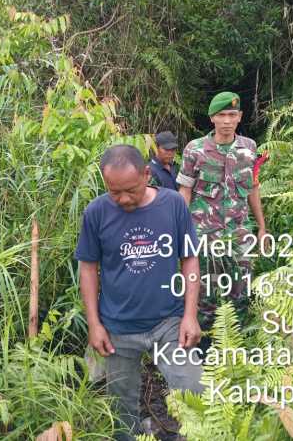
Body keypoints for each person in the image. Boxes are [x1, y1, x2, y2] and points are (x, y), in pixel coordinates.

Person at [75, 144, 203, 440]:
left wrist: (190, 315)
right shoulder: (96, 212)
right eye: (114, 191)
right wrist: (94, 325)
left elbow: (190, 258)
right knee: (120, 408)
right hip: (117, 326)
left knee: (195, 390)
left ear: (147, 174)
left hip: (169, 321)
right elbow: (88, 268)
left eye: (130, 190)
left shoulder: (172, 204)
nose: (122, 199)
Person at [176, 91, 267, 330]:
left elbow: (253, 189)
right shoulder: (194, 150)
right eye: (221, 115)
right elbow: (184, 191)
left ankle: (235, 349)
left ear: (240, 117)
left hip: (239, 234)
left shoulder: (249, 149)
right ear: (212, 118)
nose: (227, 120)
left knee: (240, 292)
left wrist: (262, 227)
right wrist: (178, 230)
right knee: (204, 293)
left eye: (232, 115)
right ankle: (202, 347)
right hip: (204, 235)